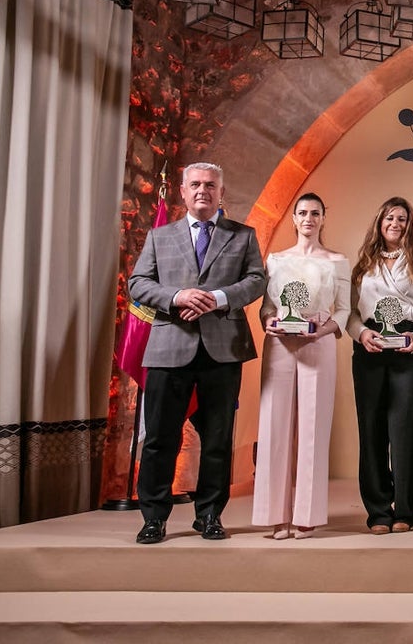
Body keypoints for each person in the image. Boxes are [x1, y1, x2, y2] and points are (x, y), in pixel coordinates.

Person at [129, 162, 265, 544]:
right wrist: (177, 297)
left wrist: (216, 299)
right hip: (169, 346)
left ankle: (209, 515)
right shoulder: (160, 237)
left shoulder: (244, 236)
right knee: (159, 438)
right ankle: (153, 518)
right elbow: (138, 282)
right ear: (183, 192)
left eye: (210, 185)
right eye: (195, 185)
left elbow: (256, 280)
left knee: (219, 439)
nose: (202, 190)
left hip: (222, 350)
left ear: (222, 193)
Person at [252, 193, 350, 540]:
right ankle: (276, 515)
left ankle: (306, 515)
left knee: (313, 427)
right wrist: (268, 321)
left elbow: (343, 310)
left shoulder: (338, 261)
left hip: (318, 343)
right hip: (279, 343)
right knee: (274, 425)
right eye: (303, 213)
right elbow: (267, 306)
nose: (309, 218)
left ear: (324, 218)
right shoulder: (275, 260)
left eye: (315, 213)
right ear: (294, 218)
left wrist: (322, 330)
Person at [347, 197, 413, 534]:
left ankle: (405, 508)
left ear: (410, 225)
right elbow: (351, 312)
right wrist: (361, 333)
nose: (395, 224)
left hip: (407, 349)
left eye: (402, 219)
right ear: (379, 223)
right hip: (370, 348)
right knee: (371, 431)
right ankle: (378, 510)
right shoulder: (363, 264)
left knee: (405, 432)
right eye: (390, 218)